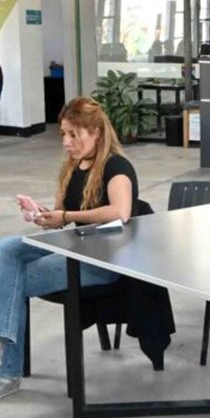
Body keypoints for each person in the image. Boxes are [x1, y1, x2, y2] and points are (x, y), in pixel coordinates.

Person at [0, 97, 139, 399]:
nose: (66, 142)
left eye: (74, 134)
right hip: (75, 245)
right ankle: (4, 343)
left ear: (96, 133)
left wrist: (64, 217)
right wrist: (41, 214)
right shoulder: (73, 166)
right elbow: (61, 216)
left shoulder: (116, 166)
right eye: (63, 134)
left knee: (11, 279)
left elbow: (120, 211)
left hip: (102, 261)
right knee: (6, 250)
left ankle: (7, 370)